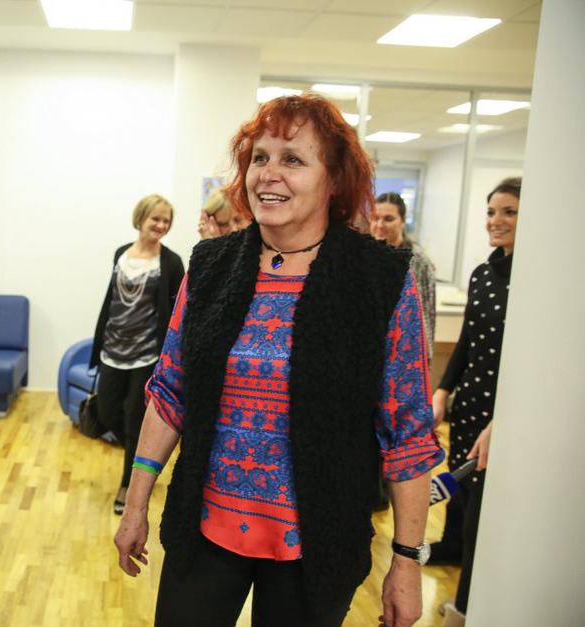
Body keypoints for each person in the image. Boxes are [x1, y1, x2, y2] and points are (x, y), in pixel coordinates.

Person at [114, 94, 443, 627]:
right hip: (205, 531)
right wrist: (135, 505)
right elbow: (170, 391)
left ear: (333, 180)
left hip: (317, 546)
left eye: (293, 159)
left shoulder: (379, 280)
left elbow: (406, 432)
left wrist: (406, 560)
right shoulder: (212, 266)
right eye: (259, 158)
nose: (268, 174)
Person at [431, 177, 521, 627]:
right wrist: (442, 391)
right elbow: (467, 341)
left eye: (509, 212)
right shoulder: (484, 274)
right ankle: (449, 549)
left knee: (480, 517)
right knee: (460, 493)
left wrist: (507, 417)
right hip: (469, 406)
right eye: (491, 212)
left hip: (501, 416)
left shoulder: (536, 282)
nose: (495, 221)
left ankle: (465, 608)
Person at [90, 194, 184, 515]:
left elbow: (175, 313)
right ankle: (136, 452)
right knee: (106, 412)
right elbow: (112, 301)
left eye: (166, 221)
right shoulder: (121, 253)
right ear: (141, 218)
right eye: (156, 218)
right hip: (112, 349)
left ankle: (128, 485)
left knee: (134, 421)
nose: (161, 225)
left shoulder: (171, 262)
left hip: (147, 355)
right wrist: (100, 342)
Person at [372, 192, 437, 360]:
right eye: (375, 218)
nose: (380, 225)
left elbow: (426, 318)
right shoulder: (364, 257)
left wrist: (425, 359)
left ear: (402, 220)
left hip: (404, 352)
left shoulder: (418, 262)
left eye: (388, 219)